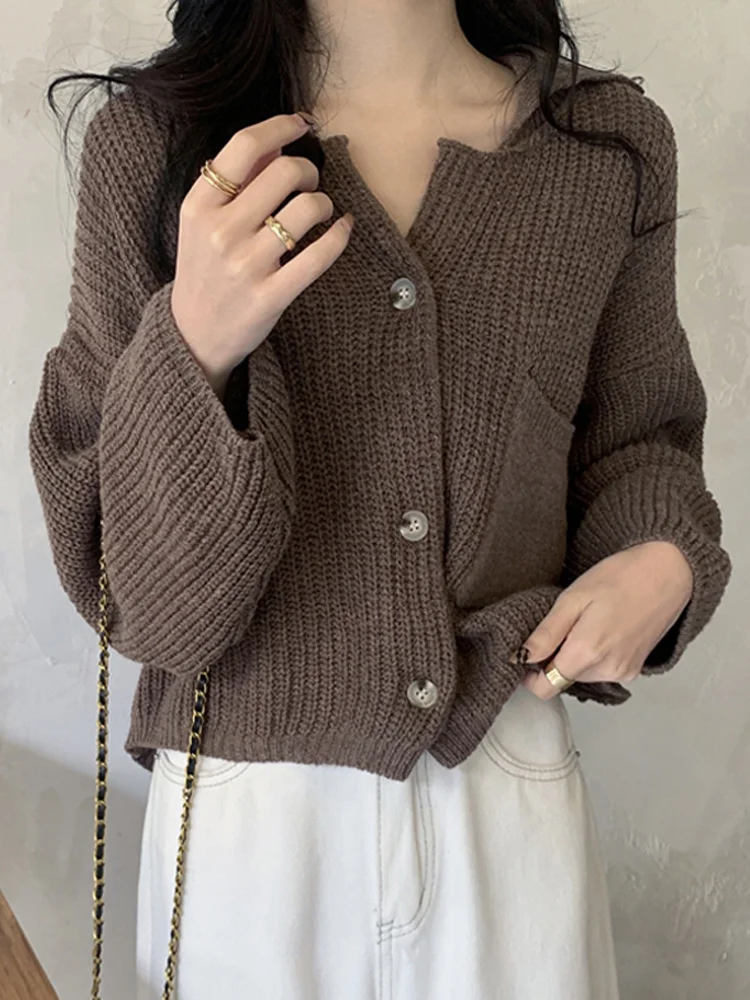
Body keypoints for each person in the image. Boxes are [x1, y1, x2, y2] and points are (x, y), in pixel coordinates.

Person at [28, 0, 731, 997]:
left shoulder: (605, 149)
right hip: (247, 829)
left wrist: (661, 560)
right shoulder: (160, 144)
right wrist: (195, 340)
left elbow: (639, 443)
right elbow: (144, 608)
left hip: (504, 794)